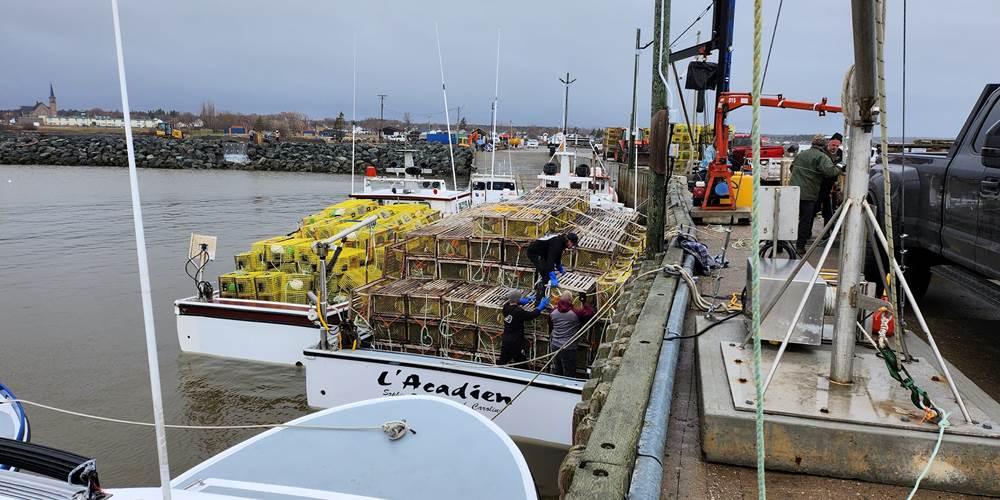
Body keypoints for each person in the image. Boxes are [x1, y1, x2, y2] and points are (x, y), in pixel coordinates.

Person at [789, 134, 843, 254]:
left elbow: (792, 168)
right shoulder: (821, 156)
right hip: (809, 193)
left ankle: (782, 244)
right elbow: (830, 171)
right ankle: (800, 246)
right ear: (824, 144)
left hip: (793, 191)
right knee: (805, 220)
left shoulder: (801, 154)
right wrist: (840, 166)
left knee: (789, 218)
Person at [547, 291, 595, 378]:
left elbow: (550, 326)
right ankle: (567, 389)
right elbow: (590, 313)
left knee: (558, 369)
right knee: (569, 371)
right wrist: (584, 301)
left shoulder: (553, 312)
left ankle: (556, 388)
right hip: (568, 347)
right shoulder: (575, 313)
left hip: (555, 345)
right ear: (570, 301)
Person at [499, 290, 550, 365]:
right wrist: (540, 307)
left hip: (506, 339)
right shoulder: (519, 311)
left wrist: (523, 301)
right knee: (520, 361)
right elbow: (532, 315)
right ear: (518, 299)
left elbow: (511, 302)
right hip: (515, 341)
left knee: (503, 361)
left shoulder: (506, 308)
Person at [525, 232, 578, 301]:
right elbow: (551, 261)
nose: (572, 247)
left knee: (547, 270)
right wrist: (552, 277)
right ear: (570, 242)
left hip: (544, 253)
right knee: (546, 275)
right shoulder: (557, 243)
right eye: (573, 245)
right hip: (534, 252)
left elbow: (557, 256)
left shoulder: (561, 241)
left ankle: (543, 292)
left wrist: (560, 268)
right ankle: (540, 298)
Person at [816, 132, 844, 227]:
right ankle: (807, 233)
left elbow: (842, 166)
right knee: (813, 210)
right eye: (833, 145)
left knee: (829, 211)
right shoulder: (821, 152)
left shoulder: (841, 153)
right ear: (828, 143)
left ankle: (827, 232)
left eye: (837, 145)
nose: (835, 147)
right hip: (819, 185)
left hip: (832, 186)